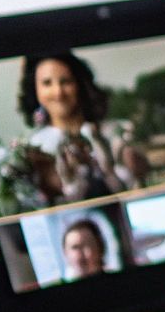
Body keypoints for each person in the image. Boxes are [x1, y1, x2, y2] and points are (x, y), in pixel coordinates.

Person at [17, 53, 127, 202]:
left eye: (65, 82)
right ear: (35, 91)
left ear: (79, 85)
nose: (58, 92)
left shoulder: (112, 132)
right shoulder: (35, 147)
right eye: (47, 83)